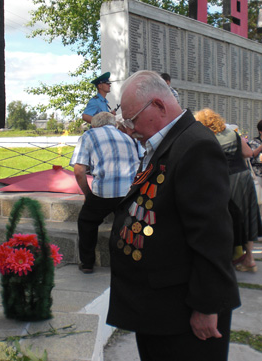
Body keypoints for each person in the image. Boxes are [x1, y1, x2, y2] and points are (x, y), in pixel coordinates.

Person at [106, 70, 240, 361]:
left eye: (131, 120)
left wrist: (207, 307)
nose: (128, 129)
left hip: (183, 313)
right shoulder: (170, 141)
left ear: (159, 105)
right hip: (163, 307)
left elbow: (212, 235)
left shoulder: (195, 145)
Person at [70, 111, 140, 273]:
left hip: (103, 191)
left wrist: (88, 194)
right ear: (114, 124)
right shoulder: (127, 137)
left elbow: (79, 171)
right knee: (125, 225)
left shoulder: (89, 135)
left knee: (87, 221)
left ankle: (87, 263)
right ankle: (128, 264)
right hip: (129, 192)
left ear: (94, 125)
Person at [196, 109, 261, 273]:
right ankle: (250, 258)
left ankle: (231, 256)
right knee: (248, 215)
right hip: (245, 177)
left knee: (229, 217)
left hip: (227, 179)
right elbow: (248, 153)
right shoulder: (232, 132)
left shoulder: (207, 137)